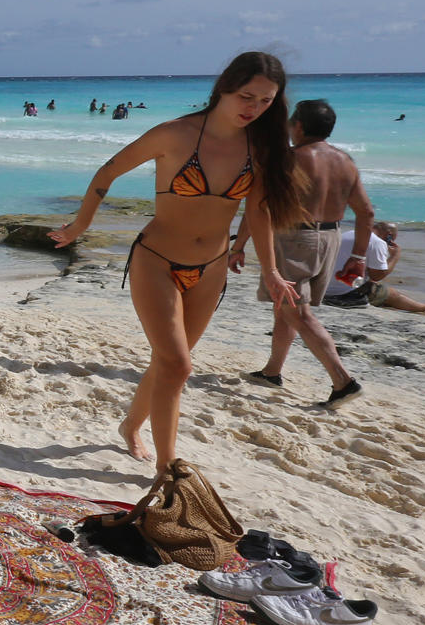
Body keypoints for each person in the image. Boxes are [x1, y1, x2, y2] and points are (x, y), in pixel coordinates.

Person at [50, 51, 300, 473]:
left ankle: (131, 426)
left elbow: (259, 212)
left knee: (167, 363)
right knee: (179, 365)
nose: (253, 108)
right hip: (157, 260)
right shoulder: (174, 134)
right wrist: (80, 226)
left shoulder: (260, 147)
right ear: (224, 87)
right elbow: (107, 172)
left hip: (212, 267)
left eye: (265, 101)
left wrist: (271, 270)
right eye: (246, 96)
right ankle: (168, 468)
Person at [231, 99, 375, 405]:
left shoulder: (288, 159)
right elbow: (366, 213)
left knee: (298, 312)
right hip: (330, 238)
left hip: (295, 238)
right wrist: (358, 256)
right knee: (286, 306)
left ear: (298, 126)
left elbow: (259, 208)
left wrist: (239, 245)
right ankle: (272, 372)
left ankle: (343, 381)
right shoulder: (345, 161)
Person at [323, 222, 425, 313]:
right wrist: (395, 256)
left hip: (322, 289)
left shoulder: (347, 234)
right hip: (342, 293)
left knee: (367, 281)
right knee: (390, 293)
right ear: (389, 235)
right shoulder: (377, 242)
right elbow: (377, 276)